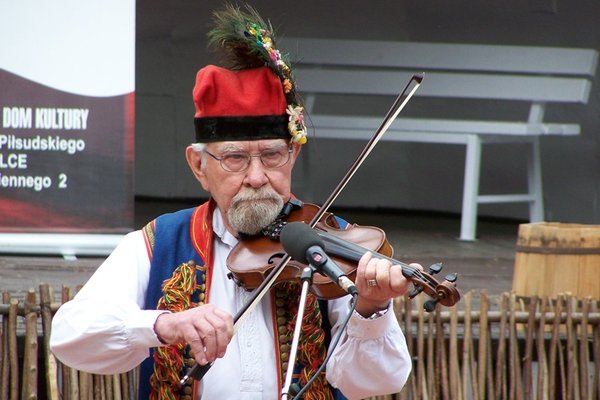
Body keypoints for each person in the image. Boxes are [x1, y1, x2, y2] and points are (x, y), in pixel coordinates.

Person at [50, 5, 415, 400]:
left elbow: (377, 382)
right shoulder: (157, 243)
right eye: (235, 158)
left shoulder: (334, 247)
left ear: (292, 156)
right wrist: (162, 325)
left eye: (272, 155)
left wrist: (371, 310)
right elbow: (71, 336)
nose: (256, 176)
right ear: (199, 166)